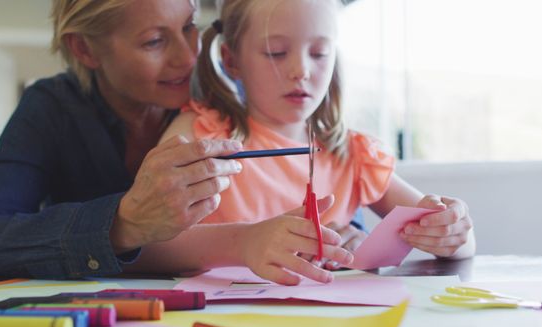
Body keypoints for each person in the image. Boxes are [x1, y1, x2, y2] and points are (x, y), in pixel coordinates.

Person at [0, 0, 352, 284]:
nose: (188, 57)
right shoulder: (52, 108)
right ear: (84, 48)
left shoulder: (224, 102)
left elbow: (297, 188)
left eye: (189, 27)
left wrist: (342, 230)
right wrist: (122, 224)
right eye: (154, 41)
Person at [154, 0, 476, 272]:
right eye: (276, 52)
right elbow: (151, 246)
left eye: (320, 53)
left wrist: (452, 232)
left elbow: (456, 239)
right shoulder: (200, 137)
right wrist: (246, 242)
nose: (301, 70)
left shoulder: (353, 154)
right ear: (231, 60)